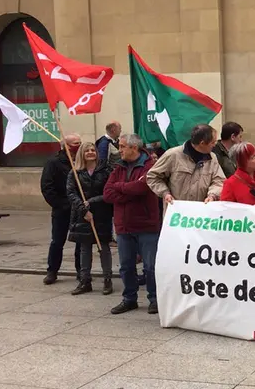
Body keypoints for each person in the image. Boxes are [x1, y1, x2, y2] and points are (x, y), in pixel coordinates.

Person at [103, 134, 161, 315]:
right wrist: (127, 189)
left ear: (133, 148)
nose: (119, 150)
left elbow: (142, 188)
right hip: (123, 226)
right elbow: (107, 194)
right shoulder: (118, 167)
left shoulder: (150, 166)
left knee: (150, 266)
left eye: (122, 146)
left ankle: (155, 299)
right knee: (126, 266)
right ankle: (129, 299)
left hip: (146, 225)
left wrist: (119, 187)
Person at [66, 142, 113, 296]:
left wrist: (92, 202)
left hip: (101, 214)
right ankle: (85, 281)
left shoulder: (105, 171)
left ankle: (107, 279)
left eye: (93, 150)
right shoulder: (75, 172)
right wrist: (84, 210)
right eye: (87, 151)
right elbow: (71, 193)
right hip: (82, 216)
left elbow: (109, 192)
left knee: (103, 248)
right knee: (85, 249)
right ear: (82, 154)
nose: (91, 152)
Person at [147, 124, 225, 207]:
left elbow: (219, 181)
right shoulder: (173, 155)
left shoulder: (212, 158)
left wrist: (212, 195)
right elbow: (152, 176)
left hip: (201, 214)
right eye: (213, 142)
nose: (215, 145)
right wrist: (165, 193)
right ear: (202, 143)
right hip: (176, 213)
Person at [41, 133, 82, 285]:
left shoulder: (82, 161)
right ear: (66, 146)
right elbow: (47, 187)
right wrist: (63, 204)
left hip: (79, 208)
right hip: (62, 209)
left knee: (81, 241)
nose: (79, 146)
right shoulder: (54, 163)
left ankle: (81, 270)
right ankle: (52, 271)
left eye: (80, 143)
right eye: (75, 143)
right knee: (57, 241)